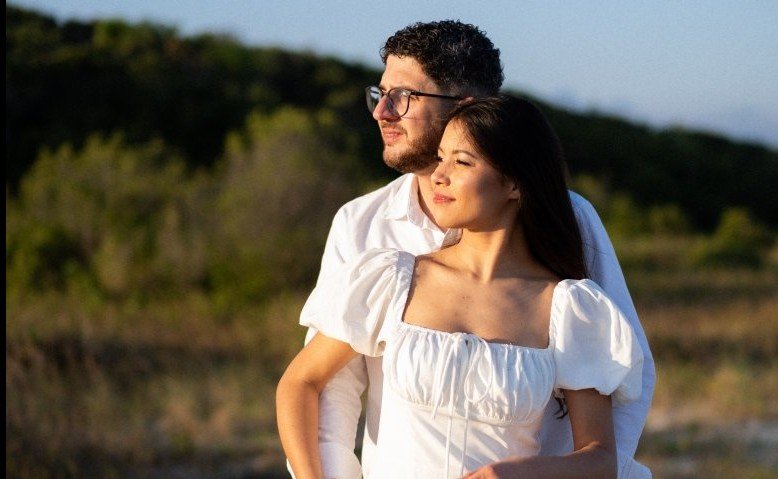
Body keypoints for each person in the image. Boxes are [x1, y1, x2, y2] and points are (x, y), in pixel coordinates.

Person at [278, 20, 655, 478]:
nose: (382, 112)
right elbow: (326, 390)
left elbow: (618, 393)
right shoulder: (363, 228)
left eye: (403, 96)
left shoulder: (572, 225)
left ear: (468, 108)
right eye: (380, 94)